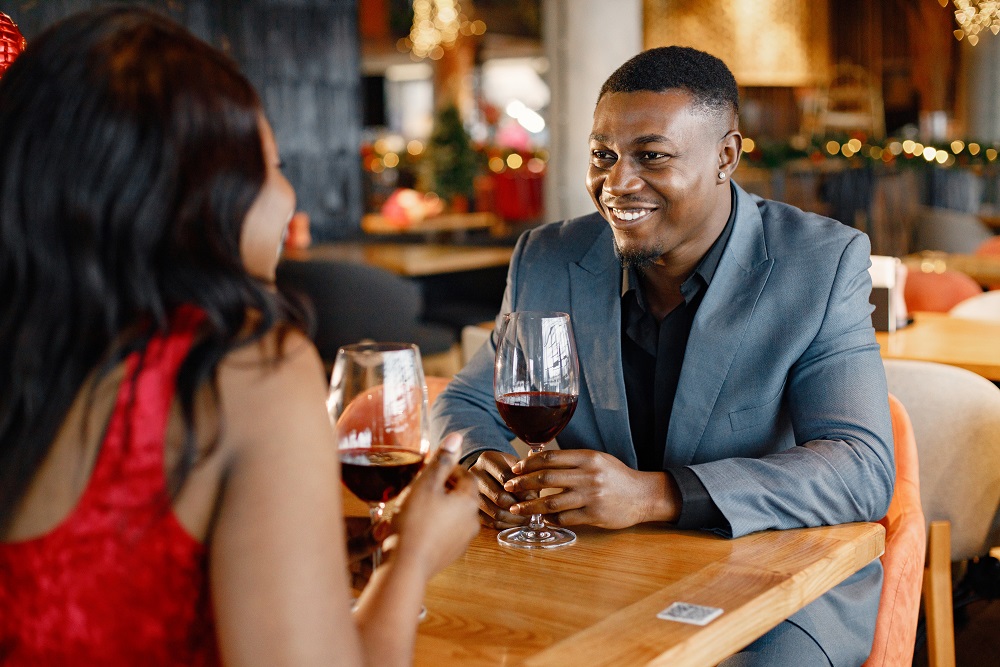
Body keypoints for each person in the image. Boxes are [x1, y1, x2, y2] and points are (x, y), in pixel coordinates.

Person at [0, 8, 478, 666]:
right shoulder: (245, 366)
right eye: (271, 166)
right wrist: (415, 555)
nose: (287, 196)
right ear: (195, 191)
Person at [432, 46, 894, 667]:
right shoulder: (546, 256)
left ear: (726, 156)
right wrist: (477, 457)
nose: (617, 183)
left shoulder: (821, 261)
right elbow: (467, 398)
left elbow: (861, 467)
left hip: (769, 588)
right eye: (603, 155)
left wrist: (654, 496)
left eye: (652, 156)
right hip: (589, 572)